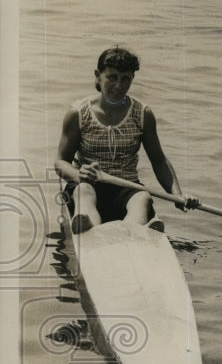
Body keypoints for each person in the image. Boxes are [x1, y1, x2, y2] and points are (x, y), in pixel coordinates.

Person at [54, 46, 199, 234]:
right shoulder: (78, 113)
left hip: (126, 186)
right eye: (112, 77)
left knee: (142, 198)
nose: (118, 86)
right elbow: (60, 162)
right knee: (84, 192)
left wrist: (177, 195)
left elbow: (159, 161)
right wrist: (78, 174)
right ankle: (89, 227)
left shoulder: (142, 114)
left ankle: (132, 233)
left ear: (132, 79)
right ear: (98, 76)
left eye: (125, 79)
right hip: (89, 184)